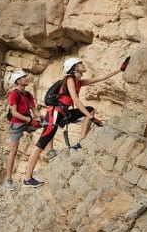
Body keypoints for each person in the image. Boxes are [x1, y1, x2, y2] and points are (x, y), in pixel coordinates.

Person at [22, 56, 129, 187]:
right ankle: (27, 179)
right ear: (74, 68)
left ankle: (81, 141)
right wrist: (91, 118)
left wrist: (120, 69)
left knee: (90, 110)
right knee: (40, 145)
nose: (83, 65)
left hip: (63, 113)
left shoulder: (78, 81)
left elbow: (100, 78)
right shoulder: (70, 79)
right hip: (55, 114)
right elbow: (76, 100)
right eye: (80, 64)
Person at [4, 70, 42, 190]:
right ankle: (8, 180)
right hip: (17, 124)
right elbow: (14, 113)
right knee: (13, 151)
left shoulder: (28, 95)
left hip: (27, 121)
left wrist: (40, 117)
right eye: (24, 77)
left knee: (48, 125)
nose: (27, 78)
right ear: (18, 81)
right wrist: (29, 120)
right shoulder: (13, 94)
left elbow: (34, 109)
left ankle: (50, 150)